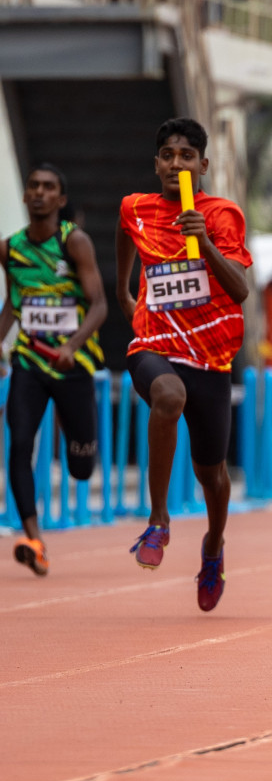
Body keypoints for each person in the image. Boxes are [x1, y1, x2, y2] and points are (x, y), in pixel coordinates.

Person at [116, 118, 252, 612]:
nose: (177, 163)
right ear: (157, 164)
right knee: (167, 397)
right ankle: (159, 520)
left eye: (187, 156)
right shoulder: (136, 208)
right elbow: (123, 236)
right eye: (168, 155)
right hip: (153, 344)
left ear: (203, 165)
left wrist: (206, 241)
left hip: (212, 357)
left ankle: (213, 543)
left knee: (212, 475)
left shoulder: (221, 214)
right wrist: (123, 291)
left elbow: (239, 290)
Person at [1, 166, 108, 576]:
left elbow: (98, 305)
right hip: (29, 361)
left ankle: (80, 445)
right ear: (26, 197)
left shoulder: (74, 242)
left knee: (81, 465)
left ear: (61, 200)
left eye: (49, 188)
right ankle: (34, 539)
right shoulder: (9, 249)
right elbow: (15, 303)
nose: (40, 193)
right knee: (19, 445)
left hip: (72, 364)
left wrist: (72, 344)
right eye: (34, 187)